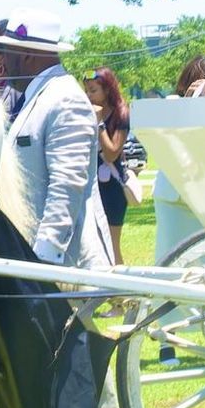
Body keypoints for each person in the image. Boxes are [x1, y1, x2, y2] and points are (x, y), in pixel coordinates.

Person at [0, 24, 128, 408]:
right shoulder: (36, 96)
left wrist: (44, 255)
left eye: (10, 53)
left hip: (68, 251)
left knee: (84, 345)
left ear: (31, 57)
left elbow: (67, 185)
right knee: (37, 349)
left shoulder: (64, 99)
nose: (4, 61)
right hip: (35, 249)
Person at [82, 65, 131, 265]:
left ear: (107, 89)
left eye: (93, 90)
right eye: (87, 90)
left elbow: (112, 153)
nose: (89, 95)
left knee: (111, 245)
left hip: (112, 187)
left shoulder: (121, 113)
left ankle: (122, 293)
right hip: (92, 184)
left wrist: (99, 123)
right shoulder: (87, 112)